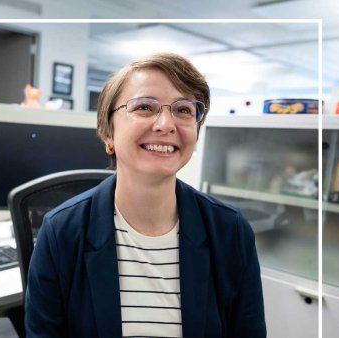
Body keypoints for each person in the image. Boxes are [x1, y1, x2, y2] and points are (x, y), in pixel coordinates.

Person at [25, 53, 266, 337]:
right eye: (144, 107)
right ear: (107, 133)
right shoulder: (62, 232)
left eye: (184, 110)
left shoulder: (231, 231)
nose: (166, 124)